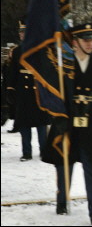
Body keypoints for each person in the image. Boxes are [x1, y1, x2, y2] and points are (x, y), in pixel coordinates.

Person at [46, 23, 92, 224]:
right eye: (85, 40)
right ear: (75, 42)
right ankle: (62, 201)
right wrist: (58, 118)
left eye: (91, 39)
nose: (90, 43)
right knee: (64, 165)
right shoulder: (63, 65)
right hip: (66, 123)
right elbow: (54, 96)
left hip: (89, 125)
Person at [6, 19, 51, 161]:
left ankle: (44, 150)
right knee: (24, 124)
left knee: (41, 124)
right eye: (21, 32)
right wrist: (10, 88)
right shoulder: (17, 51)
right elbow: (12, 71)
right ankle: (26, 152)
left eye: (25, 32)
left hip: (37, 91)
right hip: (23, 93)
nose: (23, 35)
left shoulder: (40, 49)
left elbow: (46, 71)